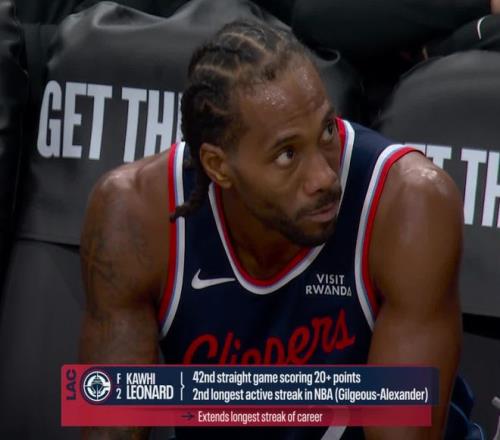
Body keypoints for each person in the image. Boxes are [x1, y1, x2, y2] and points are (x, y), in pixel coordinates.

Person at [79, 19, 463, 439]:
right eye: (287, 155)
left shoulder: (409, 203)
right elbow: (109, 423)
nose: (324, 178)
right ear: (218, 166)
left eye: (327, 131)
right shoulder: (134, 213)